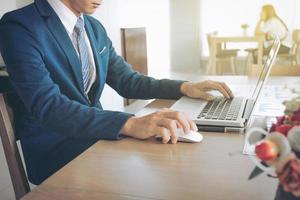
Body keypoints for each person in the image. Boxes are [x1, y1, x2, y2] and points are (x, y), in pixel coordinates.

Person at [0, 0, 233, 185]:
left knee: (175, 162)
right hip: (55, 148)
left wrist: (184, 87)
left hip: (95, 137)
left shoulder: (93, 27)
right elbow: (48, 106)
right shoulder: (19, 26)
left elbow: (128, 81)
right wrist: (130, 124)